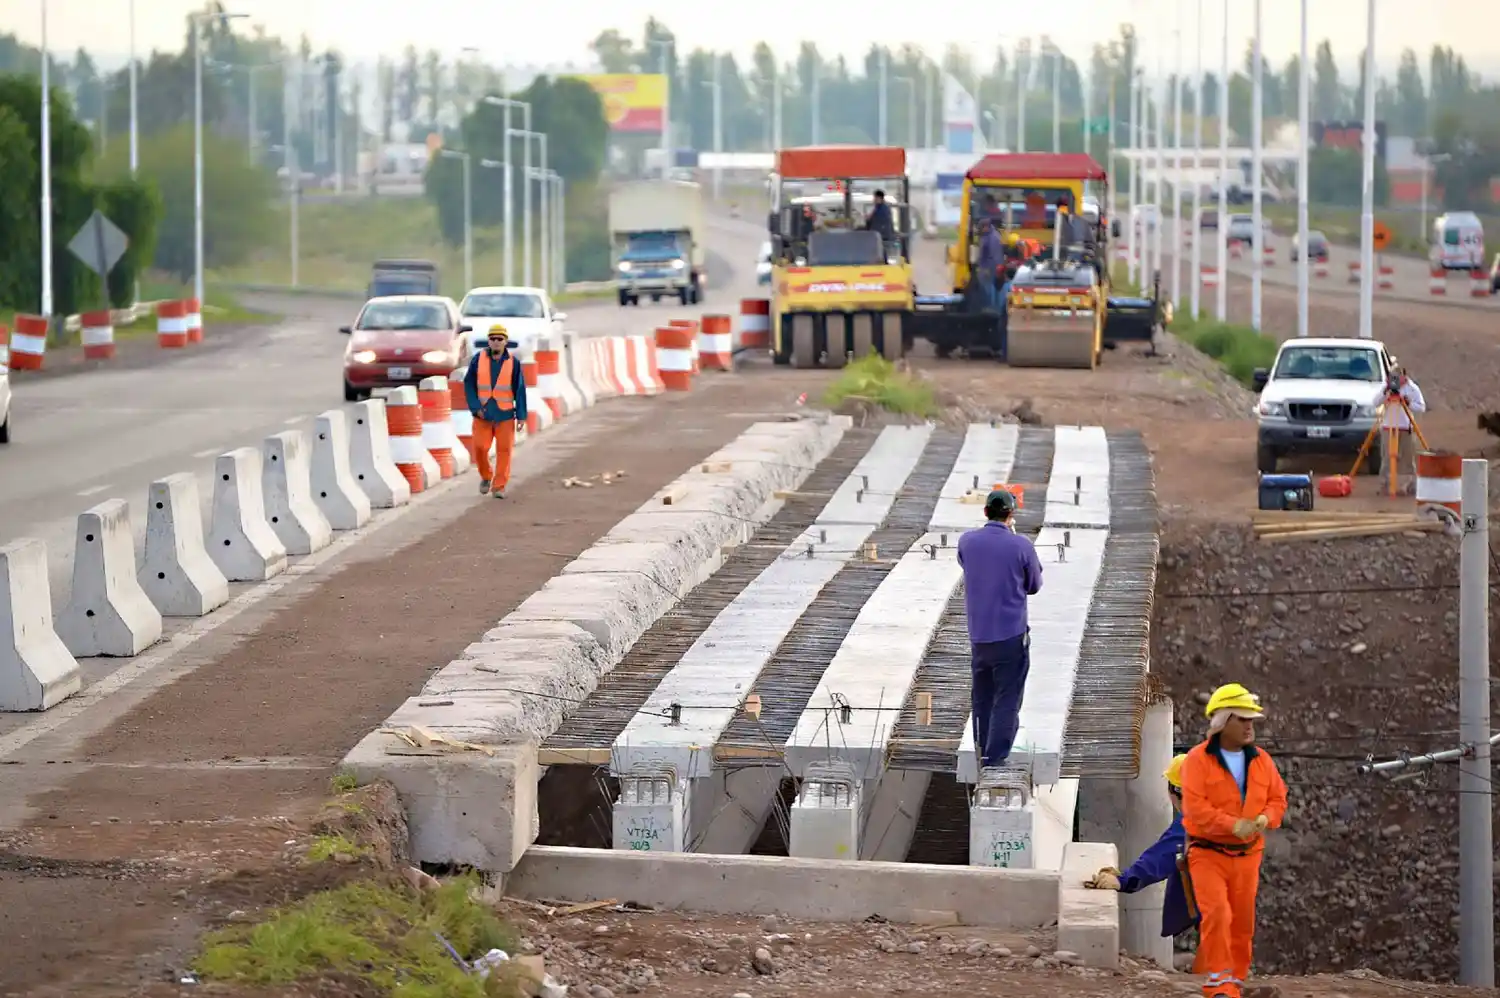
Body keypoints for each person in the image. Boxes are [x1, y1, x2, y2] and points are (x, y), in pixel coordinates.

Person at [1179, 683, 1288, 998]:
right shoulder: (1197, 761)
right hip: (1207, 853)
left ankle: (1235, 984)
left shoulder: (1261, 760)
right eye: (1242, 719)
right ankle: (1219, 985)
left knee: (1242, 922)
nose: (1249, 725)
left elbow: (1278, 798)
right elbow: (1196, 810)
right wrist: (1232, 825)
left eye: (1251, 719)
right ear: (1222, 721)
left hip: (1248, 855)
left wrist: (1268, 816)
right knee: (1217, 915)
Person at [956, 488, 1043, 770]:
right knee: (1007, 698)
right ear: (1011, 514)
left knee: (982, 697)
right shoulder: (1021, 546)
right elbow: (1034, 586)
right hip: (1010, 637)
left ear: (985, 513)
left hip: (979, 637)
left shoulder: (967, 542)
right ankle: (995, 760)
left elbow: (965, 563)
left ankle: (982, 750)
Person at [1082, 754, 1201, 940]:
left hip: (1216, 914)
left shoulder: (1193, 823)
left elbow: (1163, 856)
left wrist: (1124, 880)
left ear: (1174, 791)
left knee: (1216, 961)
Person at [462, 324, 528, 499]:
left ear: (506, 341)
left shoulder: (513, 363)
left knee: (504, 451)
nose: (496, 342)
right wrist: (475, 407)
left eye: (500, 339)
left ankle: (499, 486)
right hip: (483, 415)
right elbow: (469, 384)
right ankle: (486, 475)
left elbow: (519, 389)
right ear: (488, 341)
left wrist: (521, 415)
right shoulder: (478, 359)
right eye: (493, 339)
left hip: (505, 414)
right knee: (480, 448)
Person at [1380, 366, 1426, 487]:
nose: (1396, 381)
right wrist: (1385, 392)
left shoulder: (1412, 388)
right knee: (1387, 458)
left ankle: (1410, 484)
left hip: (1406, 427)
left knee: (1408, 458)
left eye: (1398, 377)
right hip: (1388, 427)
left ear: (1404, 376)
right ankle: (1386, 483)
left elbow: (1421, 408)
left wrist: (1409, 403)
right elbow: (1375, 402)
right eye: (1393, 377)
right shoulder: (1387, 387)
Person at [975, 218, 1006, 311]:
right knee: (989, 286)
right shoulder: (989, 235)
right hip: (988, 266)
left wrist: (987, 269)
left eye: (981, 228)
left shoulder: (993, 238)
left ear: (986, 227)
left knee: (988, 287)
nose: (980, 230)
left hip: (990, 267)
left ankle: (990, 307)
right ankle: (991, 307)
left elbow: (994, 254)